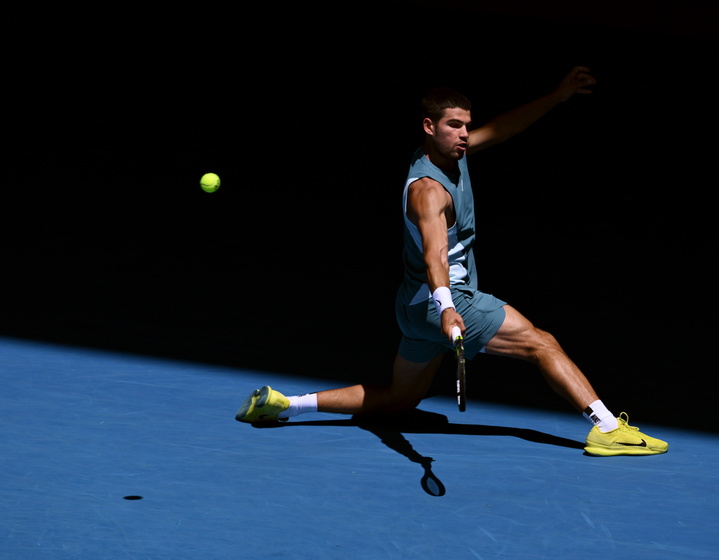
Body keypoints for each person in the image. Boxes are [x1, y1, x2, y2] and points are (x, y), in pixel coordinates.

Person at [235, 66, 668, 456]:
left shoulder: (443, 154)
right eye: (454, 125)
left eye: (466, 126)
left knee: (401, 401)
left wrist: (558, 96)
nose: (464, 134)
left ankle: (284, 404)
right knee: (542, 343)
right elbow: (434, 253)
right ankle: (607, 428)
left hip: (411, 307)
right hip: (447, 300)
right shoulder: (429, 190)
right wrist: (447, 309)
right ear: (429, 126)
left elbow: (500, 130)